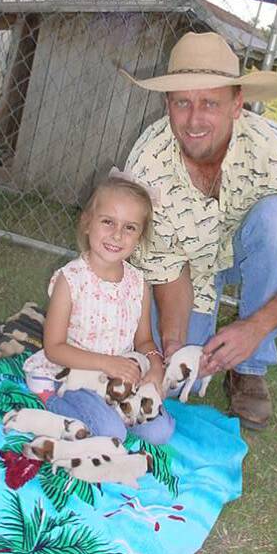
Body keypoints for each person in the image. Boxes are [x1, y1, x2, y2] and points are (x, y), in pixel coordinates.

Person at [120, 31, 277, 430]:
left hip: (254, 254)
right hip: (190, 270)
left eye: (210, 102)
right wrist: (172, 344)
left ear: (237, 103)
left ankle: (250, 367)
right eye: (182, 103)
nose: (194, 120)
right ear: (167, 104)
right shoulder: (147, 164)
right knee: (171, 383)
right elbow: (167, 266)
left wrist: (254, 328)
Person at [26, 174, 174, 444]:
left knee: (160, 432)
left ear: (140, 236)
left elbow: (144, 340)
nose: (117, 235)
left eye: (130, 228)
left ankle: (109, 411)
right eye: (108, 222)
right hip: (73, 375)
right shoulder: (70, 280)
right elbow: (54, 348)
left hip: (119, 377)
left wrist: (155, 367)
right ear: (87, 223)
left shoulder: (138, 284)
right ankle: (50, 403)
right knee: (111, 432)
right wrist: (107, 363)